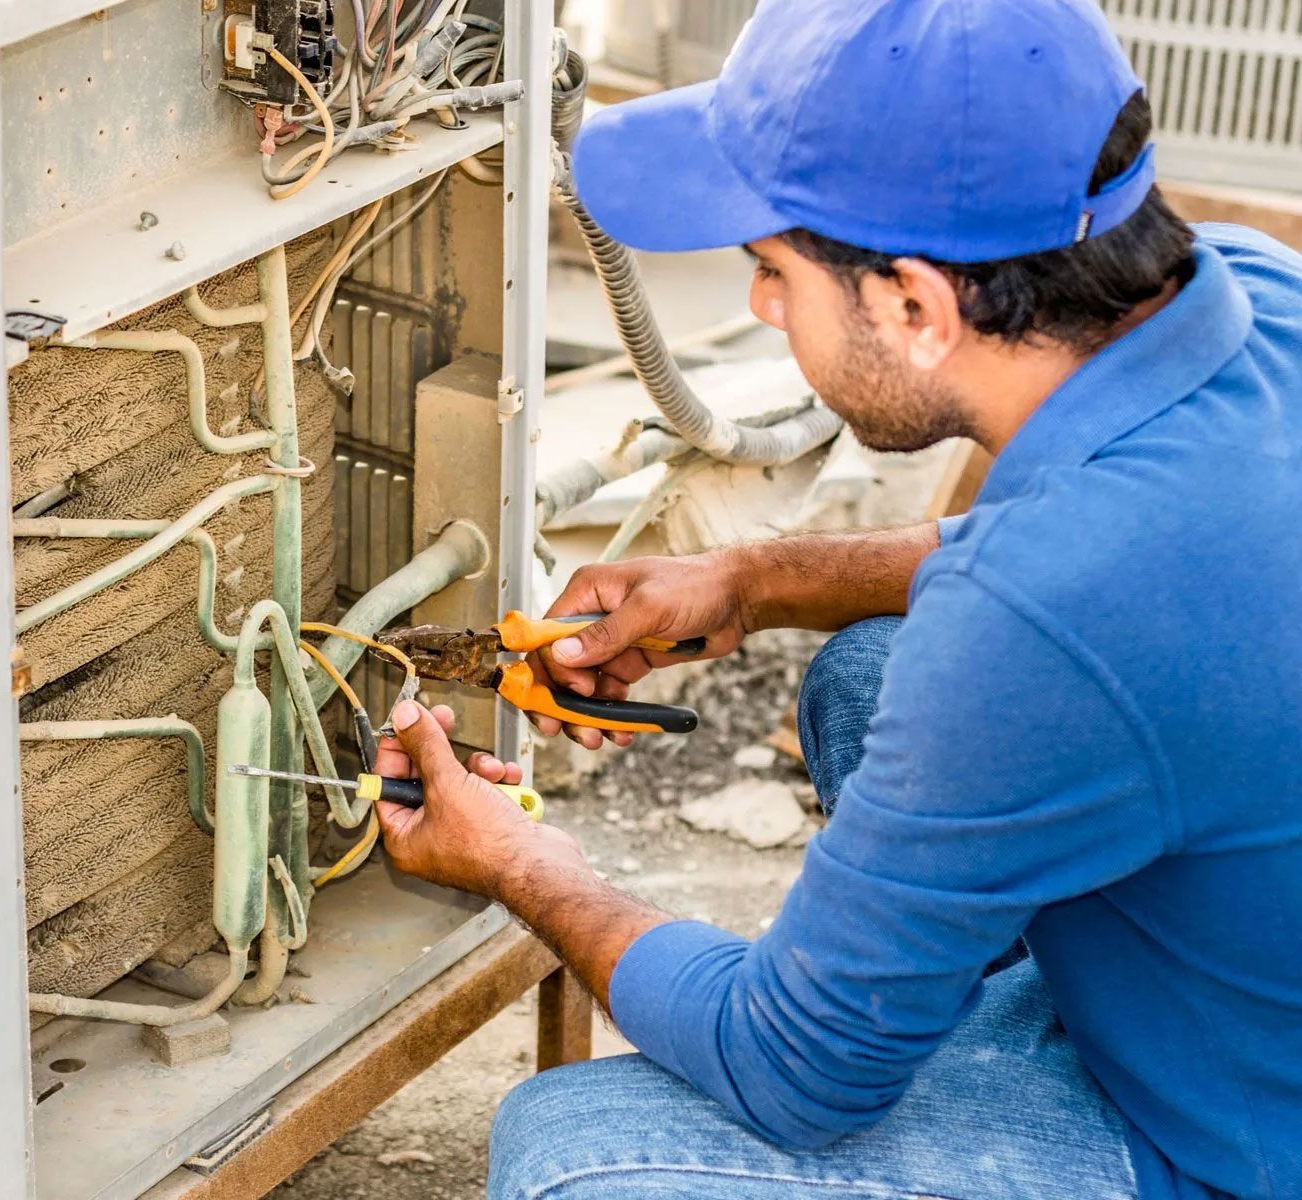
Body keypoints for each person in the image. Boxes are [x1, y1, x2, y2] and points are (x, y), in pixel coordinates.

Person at [369, 1, 1302, 1197]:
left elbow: (792, 1072)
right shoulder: (1257, 295)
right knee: (872, 674)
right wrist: (752, 582)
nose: (759, 305)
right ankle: (977, 1030)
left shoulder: (1042, 625)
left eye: (771, 271)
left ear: (914, 306)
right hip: (1251, 975)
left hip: (1245, 1142)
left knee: (575, 1158)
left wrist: (518, 862)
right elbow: (1086, 570)